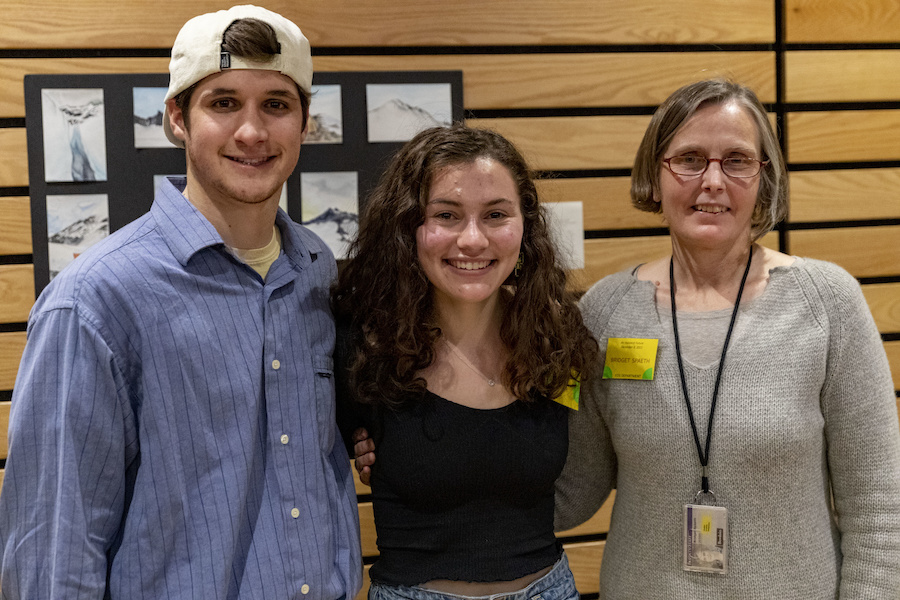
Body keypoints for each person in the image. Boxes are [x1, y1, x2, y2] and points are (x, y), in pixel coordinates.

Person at [0, 6, 362, 599]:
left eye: (276, 103)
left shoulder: (316, 267)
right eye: (223, 103)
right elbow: (53, 551)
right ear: (176, 118)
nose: (253, 132)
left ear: (304, 122)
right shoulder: (95, 300)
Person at [554, 78, 900, 599]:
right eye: (689, 158)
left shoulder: (828, 303)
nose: (712, 181)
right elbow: (570, 492)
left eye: (737, 161)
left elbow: (879, 508)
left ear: (765, 178)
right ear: (655, 174)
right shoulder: (605, 312)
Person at [333, 124, 599, 600]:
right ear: (407, 227)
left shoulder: (555, 338)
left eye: (496, 214)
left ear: (525, 225)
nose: (473, 240)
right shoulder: (363, 347)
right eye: (447, 215)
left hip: (550, 589)